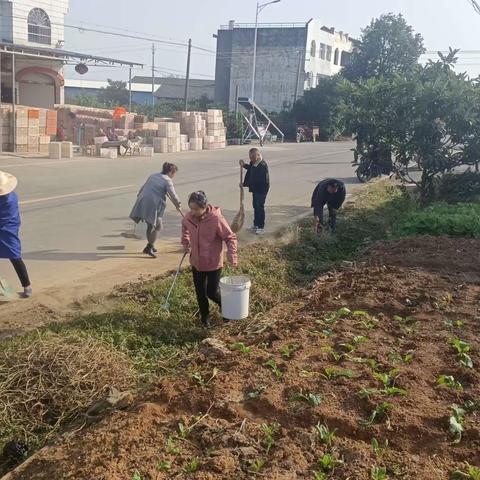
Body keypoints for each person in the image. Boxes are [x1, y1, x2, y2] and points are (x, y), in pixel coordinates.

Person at [181, 191, 238, 328]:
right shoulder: (189, 218)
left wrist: (232, 256)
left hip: (213, 263)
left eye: (196, 209)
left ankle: (226, 309)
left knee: (211, 292)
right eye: (191, 208)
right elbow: (185, 227)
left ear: (204, 206)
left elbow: (230, 237)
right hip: (196, 263)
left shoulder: (216, 219)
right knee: (200, 293)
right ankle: (204, 318)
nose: (193, 212)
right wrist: (186, 241)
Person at [130, 163, 181, 258]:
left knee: (150, 224)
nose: (174, 176)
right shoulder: (167, 181)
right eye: (174, 173)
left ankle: (151, 245)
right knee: (158, 226)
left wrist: (139, 196)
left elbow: (143, 188)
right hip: (152, 204)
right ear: (170, 172)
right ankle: (149, 247)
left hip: (143, 200)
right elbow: (173, 196)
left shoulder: (153, 176)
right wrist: (178, 204)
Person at [0, 171, 32, 298]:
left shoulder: (8, 200)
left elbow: (5, 217)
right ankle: (26, 286)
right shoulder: (13, 195)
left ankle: (27, 286)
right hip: (11, 227)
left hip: (8, 228)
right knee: (15, 256)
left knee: (14, 256)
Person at [239, 148, 270, 235]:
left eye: (252, 157)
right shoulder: (254, 162)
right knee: (255, 206)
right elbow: (251, 169)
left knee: (260, 206)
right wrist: (244, 165)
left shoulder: (262, 165)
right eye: (250, 156)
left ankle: (261, 227)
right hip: (255, 188)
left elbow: (256, 179)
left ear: (257, 155)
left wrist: (244, 184)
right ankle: (256, 224)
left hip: (261, 188)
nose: (250, 159)